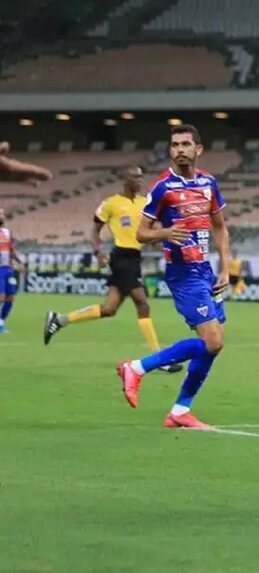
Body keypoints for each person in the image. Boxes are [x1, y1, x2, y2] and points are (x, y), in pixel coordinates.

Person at [115, 124, 231, 428]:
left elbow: (219, 226)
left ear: (198, 150)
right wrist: (165, 232)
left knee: (214, 345)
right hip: (183, 275)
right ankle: (137, 367)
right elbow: (140, 233)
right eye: (175, 144)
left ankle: (180, 411)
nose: (179, 149)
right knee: (213, 341)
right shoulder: (163, 188)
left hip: (206, 271)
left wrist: (225, 265)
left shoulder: (209, 183)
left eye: (185, 144)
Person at [43, 166, 182, 373]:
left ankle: (60, 319)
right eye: (135, 177)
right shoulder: (111, 204)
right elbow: (95, 230)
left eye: (141, 178)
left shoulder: (145, 203)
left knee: (109, 309)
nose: (139, 181)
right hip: (121, 257)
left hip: (134, 258)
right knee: (142, 304)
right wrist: (98, 252)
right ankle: (159, 358)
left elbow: (148, 232)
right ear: (124, 179)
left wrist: (160, 240)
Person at [0, 208, 25, 333]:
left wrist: (20, 262)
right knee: (1, 297)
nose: (2, 216)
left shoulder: (7, 233)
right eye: (0, 214)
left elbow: (11, 251)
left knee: (10, 298)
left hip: (8, 269)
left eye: (3, 214)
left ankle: (1, 322)